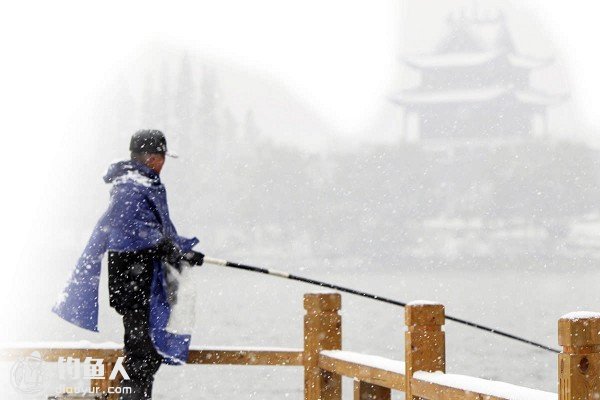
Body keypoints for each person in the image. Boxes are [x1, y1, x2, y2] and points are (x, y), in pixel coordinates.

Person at [53, 129, 204, 400]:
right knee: (141, 355)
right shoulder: (129, 187)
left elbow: (156, 231)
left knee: (145, 354)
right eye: (161, 157)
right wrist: (163, 245)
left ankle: (133, 395)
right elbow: (130, 227)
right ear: (152, 157)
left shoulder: (145, 184)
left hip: (141, 279)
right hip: (133, 281)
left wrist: (183, 250)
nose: (163, 163)